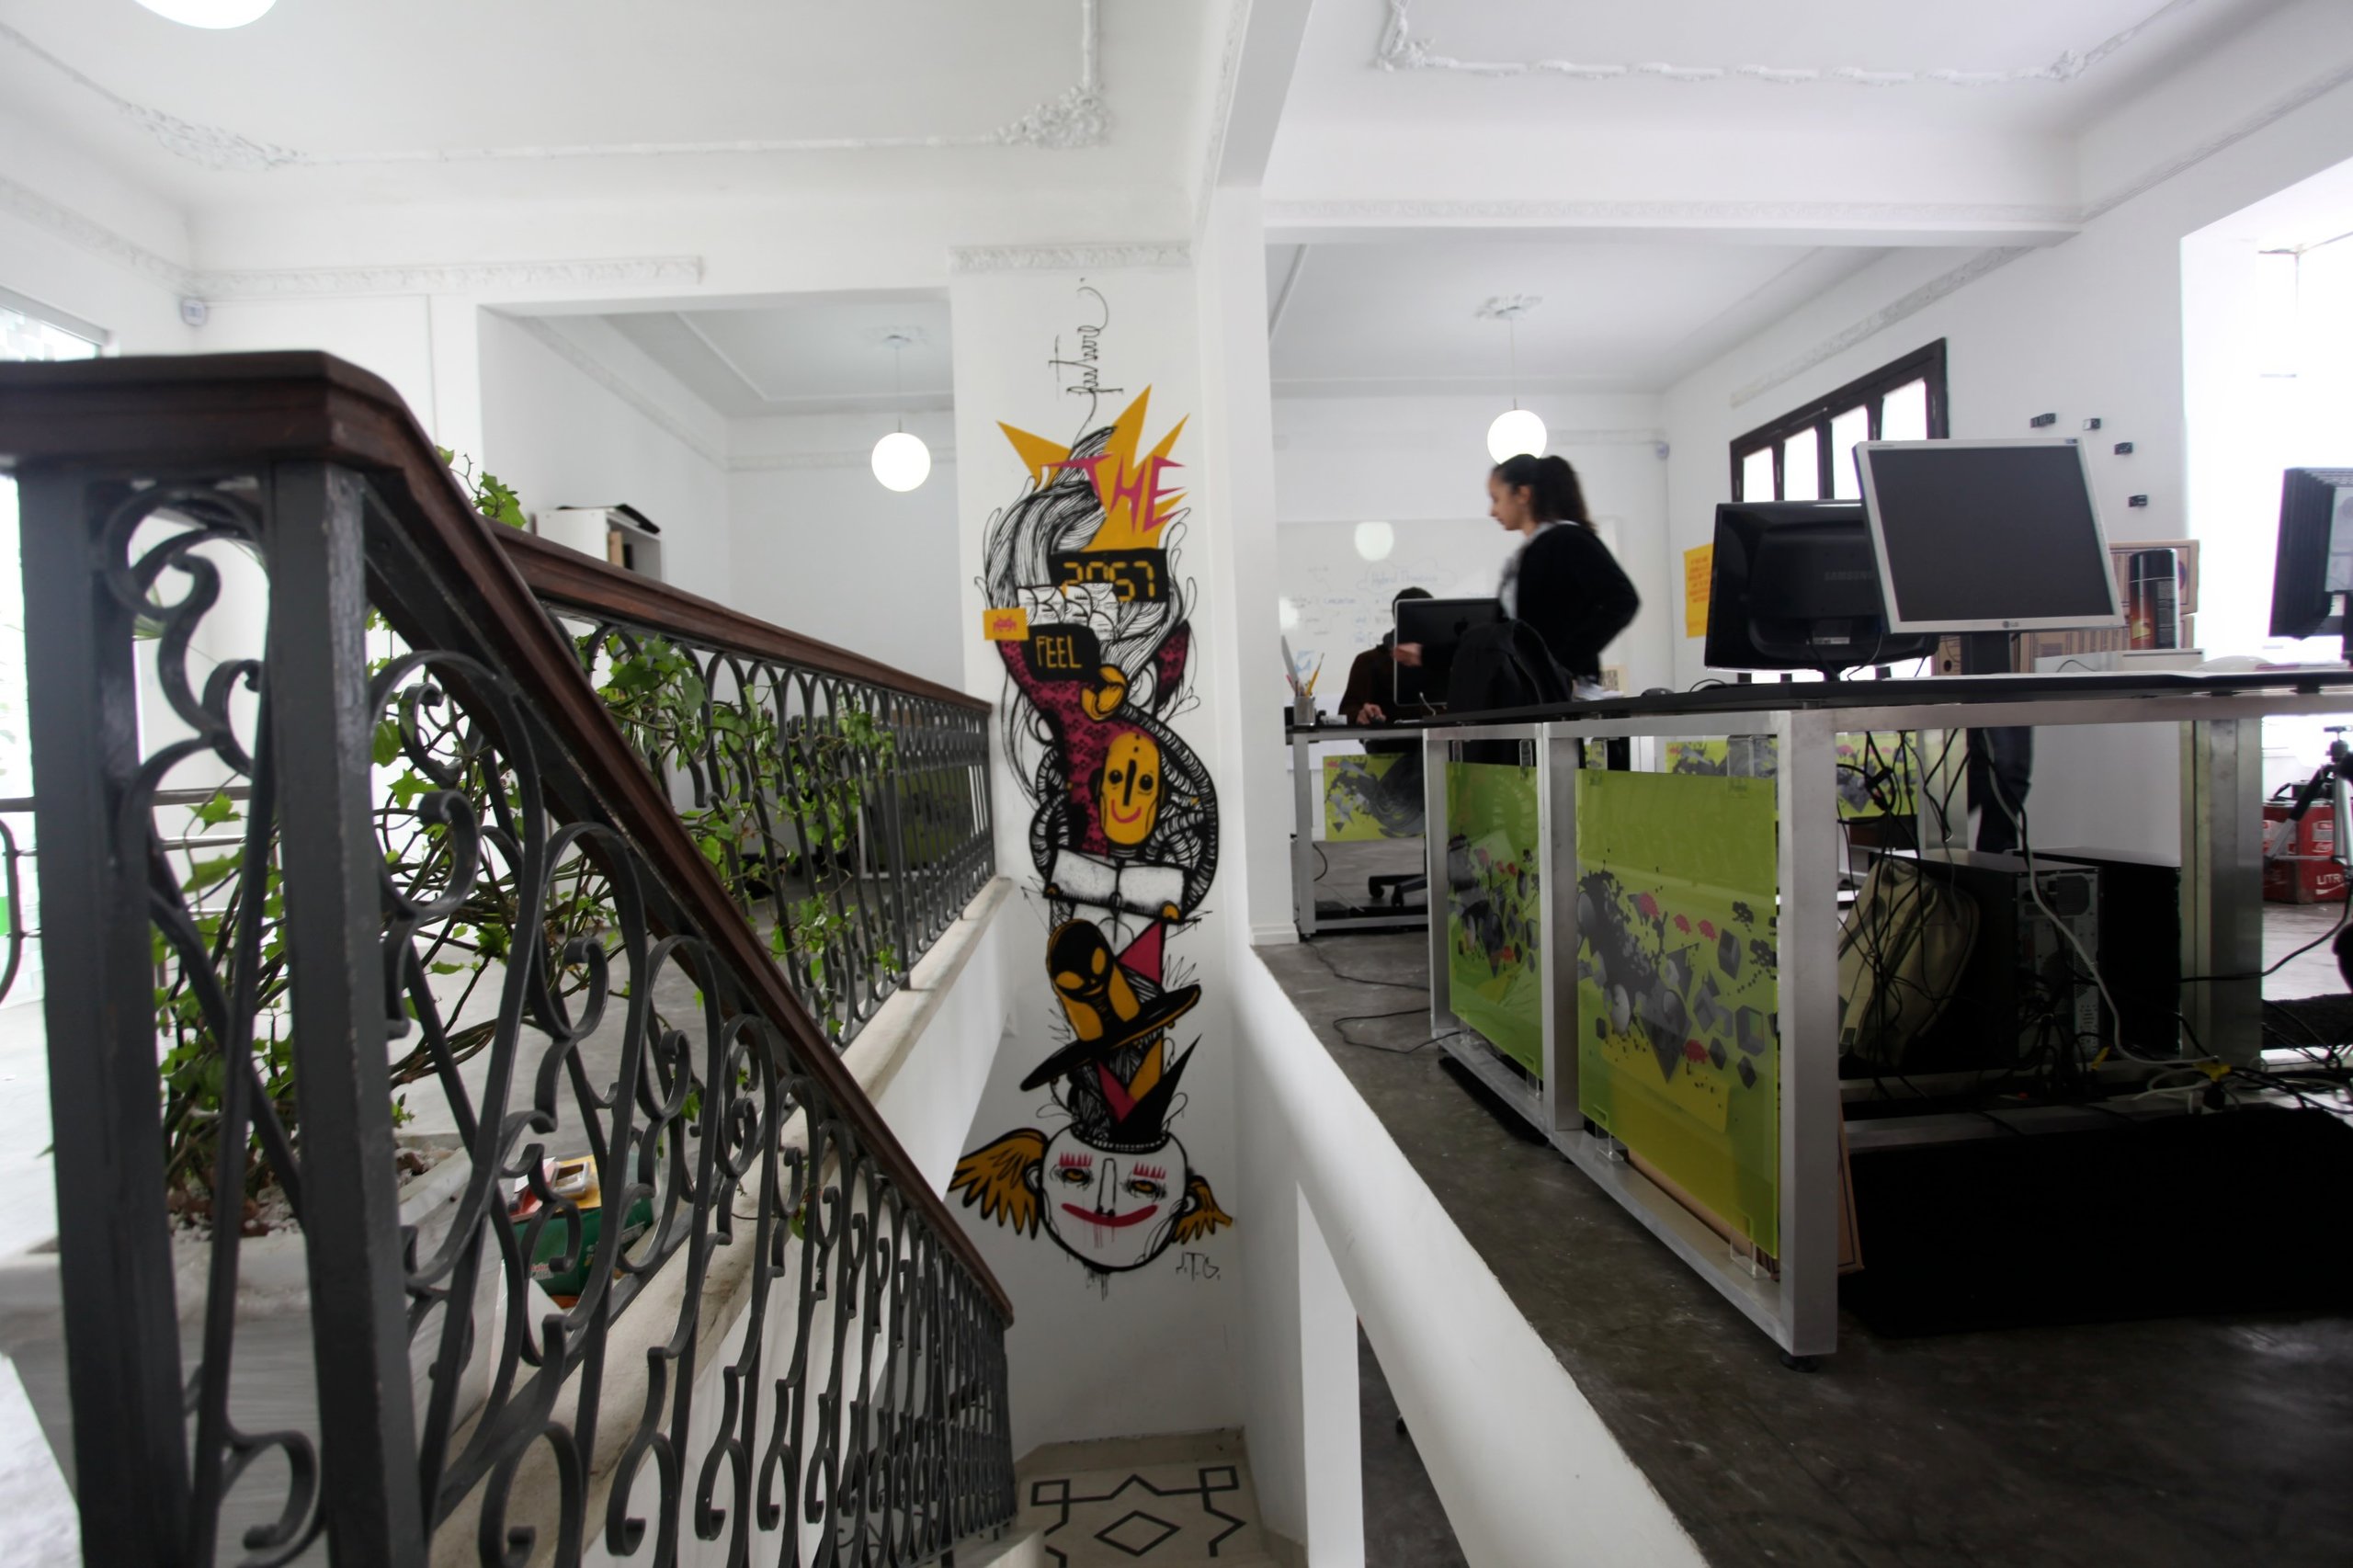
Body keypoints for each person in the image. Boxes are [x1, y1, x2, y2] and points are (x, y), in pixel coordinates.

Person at [1396, 453, 1640, 705]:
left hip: (1557, 694)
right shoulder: (1530, 552)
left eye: (1496, 499)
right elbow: (1501, 638)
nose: (1492, 511)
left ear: (1522, 494)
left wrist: (1562, 664)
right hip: (1531, 694)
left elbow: (1621, 600)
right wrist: (1426, 655)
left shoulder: (1568, 539)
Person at [1338, 586, 1436, 724]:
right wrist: (1361, 714)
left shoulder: (1445, 660)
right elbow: (1347, 710)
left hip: (1444, 735)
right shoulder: (1369, 661)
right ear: (1397, 620)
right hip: (1390, 736)